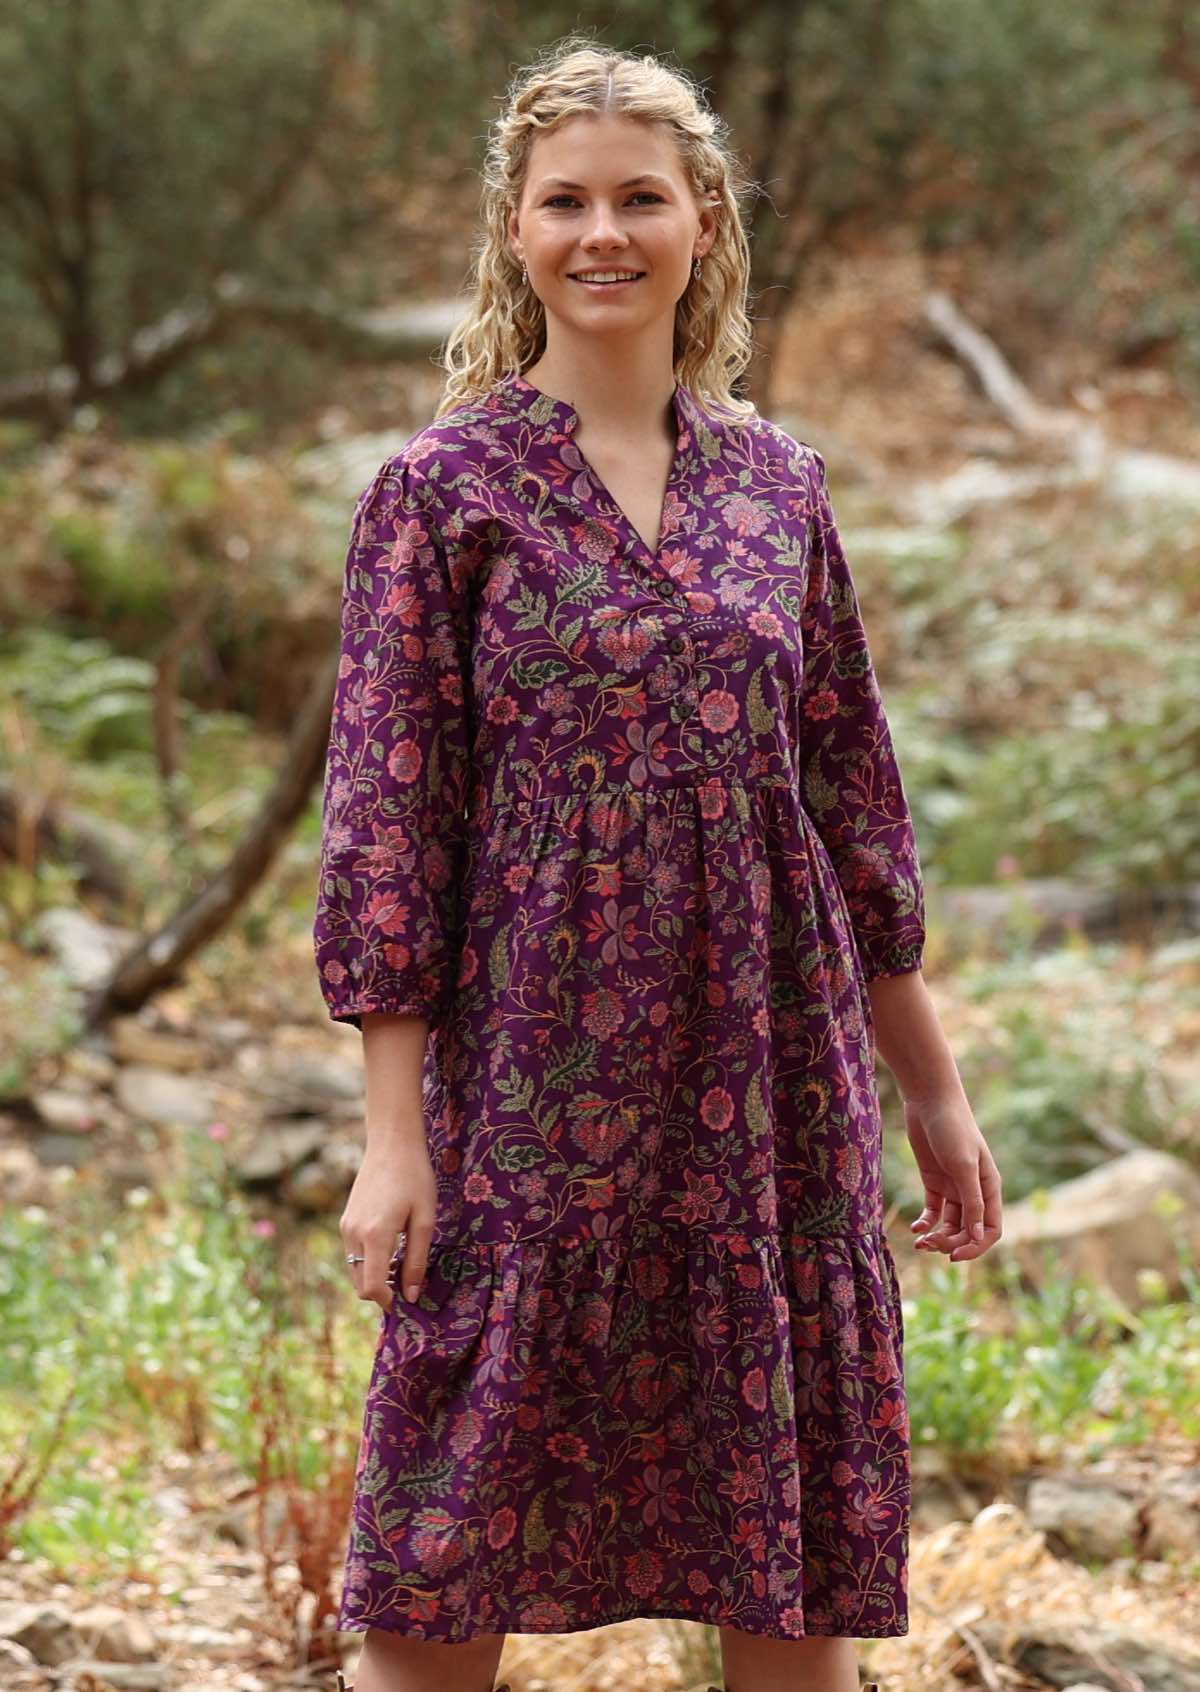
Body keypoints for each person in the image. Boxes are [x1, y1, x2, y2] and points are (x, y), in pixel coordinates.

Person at [314, 33, 1003, 1692]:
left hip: (769, 1081)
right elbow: (389, 828)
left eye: (641, 198)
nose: (603, 233)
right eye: (566, 202)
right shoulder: (442, 492)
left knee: (786, 1561)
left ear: (705, 223)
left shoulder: (780, 487)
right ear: (517, 230)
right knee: (441, 1553)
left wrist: (934, 1093)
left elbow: (851, 807)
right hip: (531, 1083)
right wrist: (392, 1141)